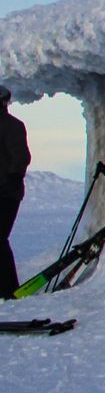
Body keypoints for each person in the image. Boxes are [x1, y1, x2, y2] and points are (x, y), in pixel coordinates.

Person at [0, 86, 29, 296]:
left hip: (5, 193)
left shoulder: (12, 126)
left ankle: (8, 290)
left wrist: (11, 180)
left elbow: (21, 158)